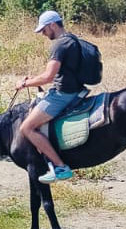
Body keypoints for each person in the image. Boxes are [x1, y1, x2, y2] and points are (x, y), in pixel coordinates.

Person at [16, 10, 84, 184]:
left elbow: (48, 77)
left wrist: (25, 84)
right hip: (75, 90)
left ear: (53, 25)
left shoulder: (59, 45)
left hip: (63, 94)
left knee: (27, 128)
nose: (43, 34)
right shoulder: (72, 39)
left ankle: (60, 167)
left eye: (44, 30)